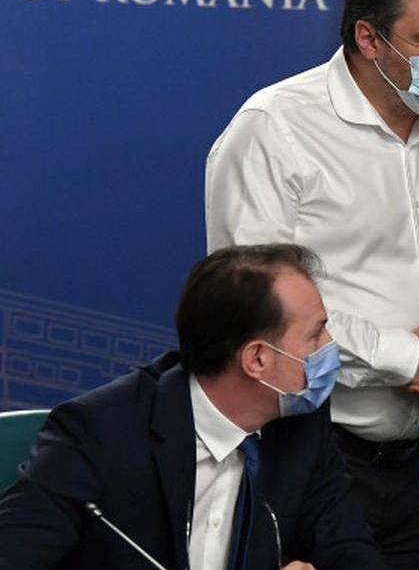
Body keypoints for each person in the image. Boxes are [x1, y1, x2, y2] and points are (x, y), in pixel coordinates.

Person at [205, 0, 419, 568]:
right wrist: (406, 357)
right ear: (369, 38)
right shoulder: (274, 128)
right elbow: (255, 316)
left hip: (411, 465)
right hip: (301, 454)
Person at [0, 244, 386, 570]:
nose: (330, 345)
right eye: (316, 334)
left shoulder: (303, 424)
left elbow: (351, 551)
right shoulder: (98, 433)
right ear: (257, 359)